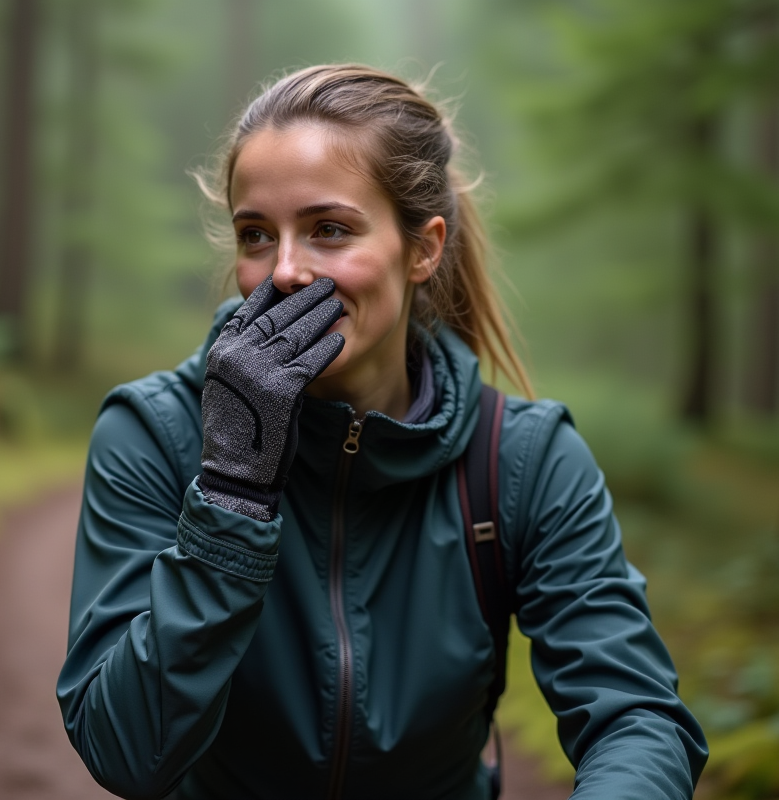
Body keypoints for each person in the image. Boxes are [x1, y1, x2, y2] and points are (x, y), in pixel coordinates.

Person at [57, 64, 707, 800]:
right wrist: (234, 491)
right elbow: (122, 748)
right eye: (256, 235)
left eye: (329, 230)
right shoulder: (155, 433)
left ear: (423, 249)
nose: (288, 271)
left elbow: (636, 718)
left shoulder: (523, 460)